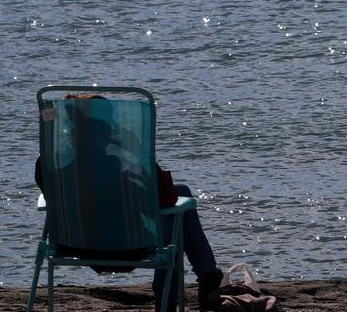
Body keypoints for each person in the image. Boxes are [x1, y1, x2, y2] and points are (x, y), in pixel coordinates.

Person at [35, 94, 223, 312]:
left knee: (183, 192)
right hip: (127, 249)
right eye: (110, 126)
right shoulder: (118, 170)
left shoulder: (49, 169)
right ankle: (195, 287)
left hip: (73, 244)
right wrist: (135, 153)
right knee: (177, 220)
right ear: (105, 132)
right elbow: (163, 198)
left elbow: (54, 195)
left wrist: (59, 124)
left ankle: (207, 278)